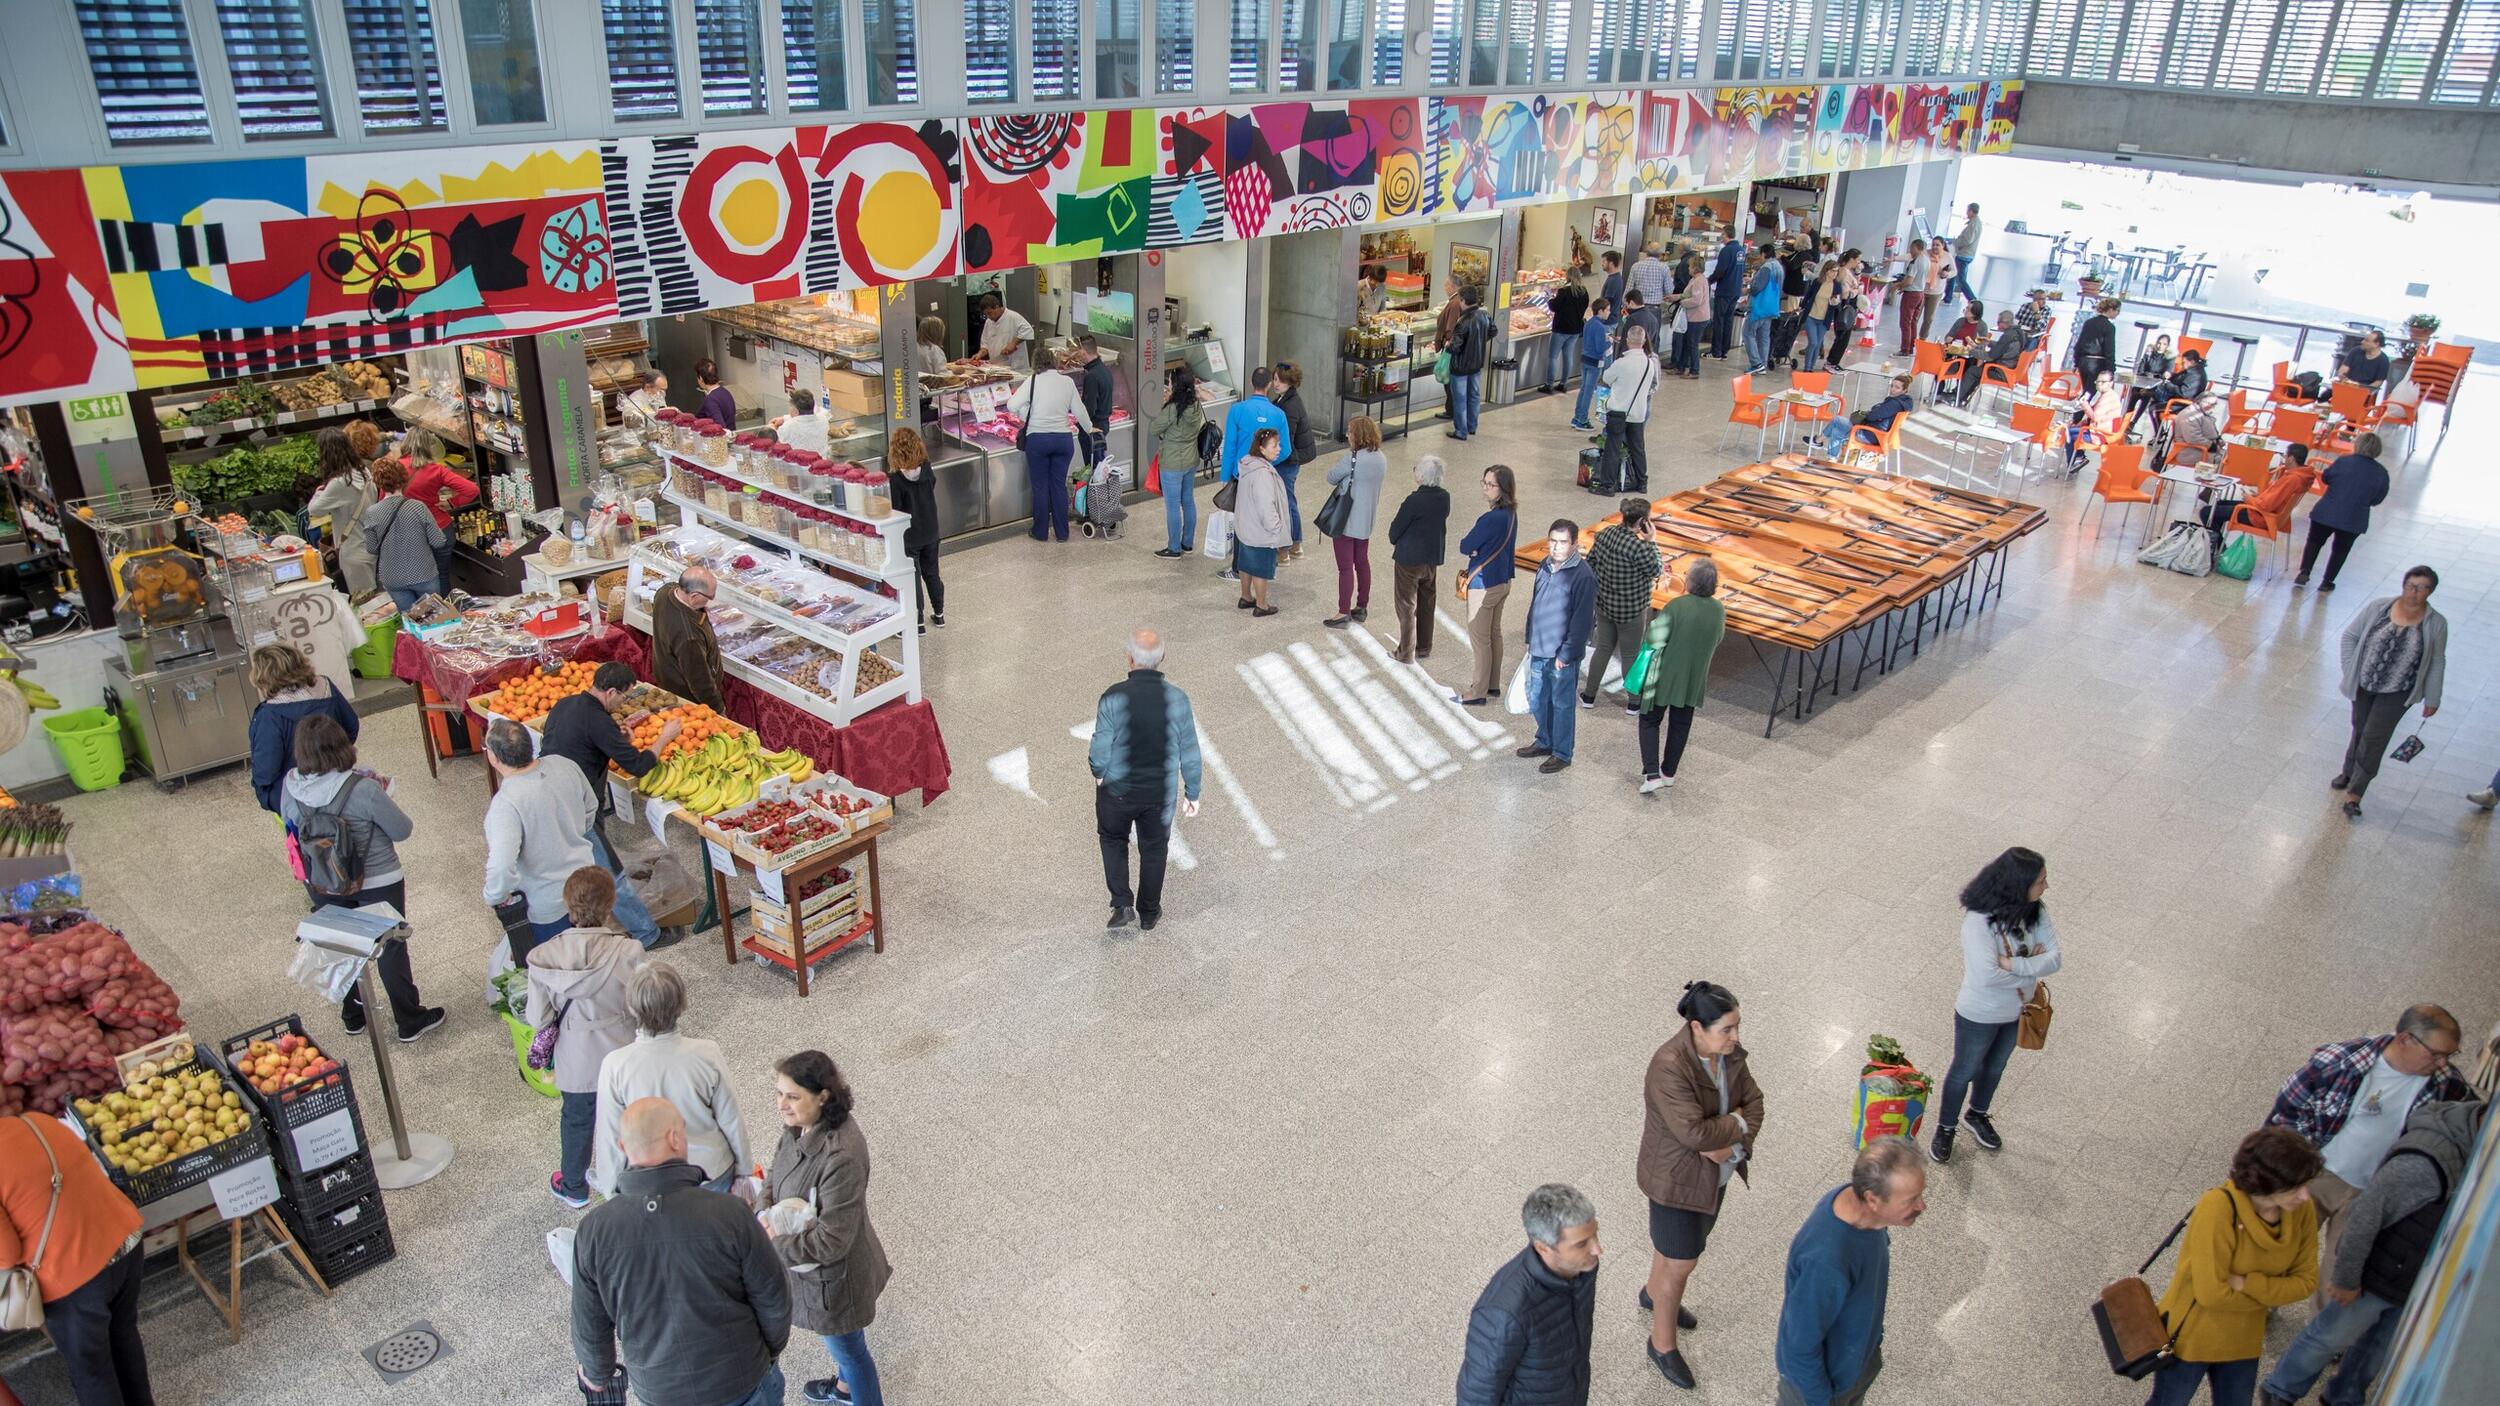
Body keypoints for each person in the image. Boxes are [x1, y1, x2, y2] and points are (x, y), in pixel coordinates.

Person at [2261, 1098, 2488, 1406]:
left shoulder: (2475, 1158)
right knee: (2328, 1337)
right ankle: (2280, 1389)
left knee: (2375, 1350)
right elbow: (2363, 1218)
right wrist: (2346, 1279)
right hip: (2377, 1276)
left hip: (2412, 1281)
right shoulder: (2424, 1162)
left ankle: (2343, 1397)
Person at [571, 1098, 788, 1406]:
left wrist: (598, 1374)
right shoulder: (730, 1213)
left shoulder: (593, 1232)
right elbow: (774, 1297)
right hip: (741, 1379)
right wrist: (766, 1353)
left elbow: (589, 1325)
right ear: (675, 1138)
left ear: (622, 1146)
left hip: (659, 1390)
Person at [2267, 1004, 2471, 1299]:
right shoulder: (2339, 1062)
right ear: (2405, 1039)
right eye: (2436, 1054)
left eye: (2450, 1056)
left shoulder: (2447, 1085)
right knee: (2282, 1249)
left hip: (2370, 1193)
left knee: (2339, 1273)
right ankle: (2266, 1304)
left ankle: (2318, 1327)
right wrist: (2285, 1172)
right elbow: (2287, 1113)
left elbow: (2469, 1122)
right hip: (2315, 1177)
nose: (2443, 1064)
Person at [279, 715, 442, 1040]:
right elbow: (402, 830)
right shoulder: (363, 788)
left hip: (323, 880)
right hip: (378, 880)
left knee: (339, 946)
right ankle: (409, 1020)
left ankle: (353, 1016)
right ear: (342, 746)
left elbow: (290, 824)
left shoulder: (291, 787)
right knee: (390, 947)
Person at [1636, 980, 1762, 1390]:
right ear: (1696, 1027)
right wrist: (1734, 1123)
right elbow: (1694, 1134)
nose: (1735, 1037)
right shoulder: (1669, 1066)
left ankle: (1654, 1294)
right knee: (1681, 1263)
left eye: (1737, 1026)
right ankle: (1661, 1344)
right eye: (1727, 1029)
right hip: (1677, 1183)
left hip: (1712, 1178)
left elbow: (1755, 1102)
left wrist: (1729, 1139)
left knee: (1673, 1251)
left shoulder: (1728, 1054)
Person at [2144, 1128, 2321, 1406]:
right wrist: (2270, 1294)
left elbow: (2306, 1282)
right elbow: (2210, 1295)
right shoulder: (2217, 1207)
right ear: (2265, 1183)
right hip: (2192, 1336)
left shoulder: (2300, 1212)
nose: (2305, 1196)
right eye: (2296, 1187)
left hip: (2243, 1340)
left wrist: (2245, 1283)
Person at [765, 1051, 893, 1406]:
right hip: (816, 1270)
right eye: (779, 1093)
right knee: (847, 1344)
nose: (782, 1105)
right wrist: (763, 1209)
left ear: (822, 1096)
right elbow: (776, 1171)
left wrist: (771, 1242)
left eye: (793, 1097)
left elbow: (831, 1240)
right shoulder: (799, 1125)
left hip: (835, 1281)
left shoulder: (841, 1156)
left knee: (851, 1352)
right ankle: (844, 1388)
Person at [0, 1112, 153, 1406]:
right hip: (125, 1241)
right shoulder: (36, 1121)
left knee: (93, 1370)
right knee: (123, 1336)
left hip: (74, 1276)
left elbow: (7, 1254)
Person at [1930, 847, 2060, 1164]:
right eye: (2040, 881)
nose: (2046, 886)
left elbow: (2055, 959)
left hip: (2019, 1010)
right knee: (1964, 1070)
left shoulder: (2036, 911)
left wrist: (2011, 964)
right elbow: (1986, 976)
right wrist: (2031, 966)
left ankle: (1977, 1114)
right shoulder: (1978, 922)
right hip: (1979, 1014)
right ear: (2018, 884)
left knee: (1995, 1067)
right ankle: (1945, 1127)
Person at [527, 867, 646, 1210]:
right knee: (629, 1117)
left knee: (576, 1120)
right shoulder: (629, 951)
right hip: (622, 1051)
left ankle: (574, 1186)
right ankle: (633, 1179)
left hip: (575, 1057)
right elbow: (643, 1005)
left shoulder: (544, 957)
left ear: (568, 907)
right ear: (610, 905)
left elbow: (538, 1018)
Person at [1774, 1138, 1925, 1406]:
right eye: (1911, 1200)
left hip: (1855, 1364)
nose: (1921, 1206)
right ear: (1872, 1199)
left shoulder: (1861, 1208)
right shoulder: (1826, 1260)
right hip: (1820, 1390)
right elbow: (1798, 1348)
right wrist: (1821, 1401)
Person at [541, 661, 680, 950]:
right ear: (612, 692)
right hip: (577, 808)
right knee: (610, 872)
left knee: (576, 863)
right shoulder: (599, 721)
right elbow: (637, 765)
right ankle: (647, 935)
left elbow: (569, 743)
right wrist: (664, 739)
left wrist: (616, 740)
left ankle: (583, 919)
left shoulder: (565, 705)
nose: (624, 702)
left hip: (550, 796)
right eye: (624, 696)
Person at [591, 963, 749, 1197]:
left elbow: (611, 1137)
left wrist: (610, 1189)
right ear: (682, 1003)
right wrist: (744, 1170)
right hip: (712, 1172)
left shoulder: (614, 1065)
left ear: (632, 1007)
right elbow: (731, 1118)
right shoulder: (707, 1053)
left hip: (652, 1183)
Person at [1088, 628, 1203, 932]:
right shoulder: (1177, 699)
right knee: (1154, 848)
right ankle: (1149, 912)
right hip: (1158, 792)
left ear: (1130, 658)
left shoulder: (1113, 696)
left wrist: (1099, 773)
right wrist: (1193, 791)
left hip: (1118, 789)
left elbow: (1100, 746)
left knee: (1113, 839)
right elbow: (1190, 751)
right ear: (1162, 657)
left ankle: (1122, 903)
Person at [1455, 1184, 1601, 1406]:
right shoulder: (1504, 1314)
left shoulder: (1581, 1267)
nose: (1597, 1249)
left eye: (1595, 1234)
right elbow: (1477, 1394)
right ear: (1543, 1248)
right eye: (1581, 1244)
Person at [2331, 565, 2448, 818]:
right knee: (2360, 728)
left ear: (2430, 592)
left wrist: (2433, 697)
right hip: (2364, 683)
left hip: (2398, 691)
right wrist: (2350, 669)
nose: (2414, 592)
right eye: (2410, 586)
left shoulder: (2436, 623)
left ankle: (2355, 794)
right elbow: (2350, 636)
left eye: (2422, 588)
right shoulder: (2379, 608)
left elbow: (2437, 661)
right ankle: (2348, 771)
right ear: (2403, 585)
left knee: (2374, 738)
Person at [482, 718, 600, 954]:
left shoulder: (506, 804)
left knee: (558, 968)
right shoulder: (564, 765)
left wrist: (494, 895)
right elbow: (591, 807)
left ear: (494, 757)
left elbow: (501, 864)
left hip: (549, 905)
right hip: (587, 885)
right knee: (593, 958)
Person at [1632, 559, 1728, 792]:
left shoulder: (1677, 606)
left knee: (1649, 720)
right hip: (1694, 676)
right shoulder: (1718, 609)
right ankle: (1668, 772)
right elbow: (1718, 638)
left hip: (1664, 674)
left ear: (1691, 581)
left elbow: (1654, 638)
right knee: (1681, 724)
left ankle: (1652, 774)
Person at [1517, 519, 1595, 775]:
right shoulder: (1545, 565)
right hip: (1539, 646)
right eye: (1553, 541)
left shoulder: (1582, 576)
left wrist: (1567, 653)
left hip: (1562, 654)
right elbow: (1536, 603)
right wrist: (1529, 636)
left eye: (1563, 542)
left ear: (1574, 545)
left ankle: (1562, 752)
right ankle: (1544, 740)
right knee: (1538, 697)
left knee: (1561, 704)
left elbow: (1582, 620)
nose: (1556, 547)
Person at [248, 642, 356, 813]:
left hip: (293, 796)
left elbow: (266, 770)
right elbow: (351, 727)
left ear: (263, 676)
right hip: (337, 781)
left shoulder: (269, 714)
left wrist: (261, 790)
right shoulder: (326, 687)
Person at [1580, 501, 1660, 708]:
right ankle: (1634, 703)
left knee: (1603, 648)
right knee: (1630, 655)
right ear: (1642, 522)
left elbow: (1591, 562)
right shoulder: (1639, 547)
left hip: (1604, 604)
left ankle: (1589, 696)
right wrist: (1651, 541)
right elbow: (1656, 570)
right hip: (1631, 610)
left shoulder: (1605, 534)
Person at [1452, 466, 1519, 708]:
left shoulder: (1490, 519)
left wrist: (1475, 550)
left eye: (1491, 485)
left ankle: (1477, 691)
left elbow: (1465, 545)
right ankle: (1492, 684)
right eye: (1484, 482)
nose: (1485, 488)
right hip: (1503, 580)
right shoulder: (1511, 514)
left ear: (1503, 488)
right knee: (1494, 634)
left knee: (1480, 639)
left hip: (1484, 585)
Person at [1013, 352, 1094, 543]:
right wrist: (1090, 428)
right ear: (1054, 362)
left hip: (1038, 440)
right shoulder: (1067, 382)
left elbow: (1011, 405)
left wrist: (1028, 416)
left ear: (1035, 363)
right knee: (1058, 486)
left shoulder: (1032, 381)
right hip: (1063, 440)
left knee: (1040, 487)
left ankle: (1040, 532)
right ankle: (1062, 533)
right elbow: (1079, 410)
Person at [2297, 433, 2393, 590]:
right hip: (2354, 519)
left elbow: (2326, 478)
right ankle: (2327, 581)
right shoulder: (2382, 473)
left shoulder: (2343, 461)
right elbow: (2377, 499)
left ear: (2357, 444)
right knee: (2341, 550)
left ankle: (2304, 571)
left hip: (2326, 512)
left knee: (2314, 541)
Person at [1322, 415, 1387, 629]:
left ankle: (1343, 611)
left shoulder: (1352, 459)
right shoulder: (1381, 458)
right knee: (1362, 562)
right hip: (1366, 520)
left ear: (1358, 435)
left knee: (1345, 567)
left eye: (1350, 431)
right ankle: (1361, 606)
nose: (1348, 435)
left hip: (1346, 520)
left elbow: (1331, 477)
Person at [1386, 457, 1451, 664]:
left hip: (1409, 559)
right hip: (1431, 558)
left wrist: (1394, 539)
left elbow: (1395, 530)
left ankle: (1405, 652)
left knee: (1406, 605)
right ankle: (1424, 646)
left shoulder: (1413, 501)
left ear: (1421, 476)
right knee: (1427, 602)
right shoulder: (1444, 497)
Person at [361, 457, 446, 613]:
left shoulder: (372, 513)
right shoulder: (418, 507)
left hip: (392, 577)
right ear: (403, 479)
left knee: (409, 618)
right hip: (423, 572)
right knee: (433, 617)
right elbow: (439, 541)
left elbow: (371, 548)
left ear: (378, 483)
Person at [304, 426, 376, 597]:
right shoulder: (363, 472)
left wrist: (319, 492)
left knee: (363, 602)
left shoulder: (339, 483)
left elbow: (314, 510)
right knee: (375, 599)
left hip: (353, 550)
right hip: (371, 544)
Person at [885, 427, 943, 630]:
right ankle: (939, 614)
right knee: (932, 573)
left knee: (913, 578)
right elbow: (932, 485)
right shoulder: (926, 468)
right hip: (931, 530)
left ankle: (917, 622)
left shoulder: (896, 479)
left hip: (910, 536)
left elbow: (896, 508)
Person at [1230, 427, 1291, 619]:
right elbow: (1266, 506)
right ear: (1261, 449)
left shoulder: (1248, 464)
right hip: (1260, 529)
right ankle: (1262, 605)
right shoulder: (1262, 473)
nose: (1279, 448)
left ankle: (1246, 596)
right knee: (1260, 568)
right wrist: (1276, 528)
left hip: (1245, 526)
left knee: (1245, 563)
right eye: (1274, 445)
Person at [2202, 443, 2312, 544]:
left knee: (2207, 512)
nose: (2284, 459)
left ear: (2291, 459)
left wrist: (2249, 499)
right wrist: (2259, 497)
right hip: (2266, 513)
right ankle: (2217, 546)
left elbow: (2266, 505)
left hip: (2260, 517)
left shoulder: (2292, 479)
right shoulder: (2302, 477)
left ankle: (2216, 547)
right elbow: (2276, 499)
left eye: (2285, 456)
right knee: (2218, 505)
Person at [652, 566, 727, 710]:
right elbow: (700, 681)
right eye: (709, 598)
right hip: (686, 697)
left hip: (665, 675)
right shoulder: (689, 636)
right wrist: (718, 710)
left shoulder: (664, 592)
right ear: (694, 596)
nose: (709, 602)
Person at [1598, 324, 1661, 495]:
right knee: (1638, 448)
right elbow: (1652, 386)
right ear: (1643, 341)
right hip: (1638, 412)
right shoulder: (1649, 363)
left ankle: (1608, 486)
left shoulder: (1621, 363)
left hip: (1618, 411)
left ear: (1627, 340)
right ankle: (1642, 483)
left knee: (1613, 447)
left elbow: (1606, 378)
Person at [1150, 365, 1204, 558]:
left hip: (1172, 462)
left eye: (1170, 382)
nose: (1169, 384)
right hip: (1191, 459)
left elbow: (1154, 429)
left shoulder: (1173, 409)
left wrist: (1165, 405)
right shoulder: (1196, 405)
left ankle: (1174, 548)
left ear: (1176, 385)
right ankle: (1187, 543)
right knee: (1188, 501)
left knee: (1172, 506)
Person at [1271, 362, 1317, 560]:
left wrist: (1272, 458)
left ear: (1291, 382)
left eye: (1281, 381)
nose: (1276, 384)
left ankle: (1290, 546)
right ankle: (1294, 543)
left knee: (1287, 502)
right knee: (1288, 501)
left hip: (1289, 460)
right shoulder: (1285, 399)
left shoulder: (1289, 406)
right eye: (1275, 379)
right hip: (1291, 458)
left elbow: (1286, 441)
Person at [1444, 285, 1494, 441]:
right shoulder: (1485, 315)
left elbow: (1455, 347)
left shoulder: (1463, 321)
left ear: (1463, 300)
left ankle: (1460, 431)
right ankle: (1472, 426)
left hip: (1460, 366)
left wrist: (1448, 345)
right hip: (1476, 363)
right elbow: (1493, 331)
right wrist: (1479, 340)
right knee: (1474, 396)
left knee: (1460, 399)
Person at [1824, 374, 1915, 459]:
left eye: (1897, 387)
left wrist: (1873, 410)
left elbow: (1871, 416)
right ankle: (1831, 458)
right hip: (1878, 435)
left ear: (1904, 390)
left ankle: (1819, 441)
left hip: (1870, 435)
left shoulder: (1894, 404)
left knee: (1837, 420)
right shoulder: (1902, 403)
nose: (1892, 389)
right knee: (1837, 431)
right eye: (1892, 386)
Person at [1952, 312, 2025, 407]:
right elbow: (2004, 348)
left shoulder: (2007, 336)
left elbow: (1989, 356)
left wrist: (1970, 350)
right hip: (2012, 369)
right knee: (1979, 369)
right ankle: (1963, 397)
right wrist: (1989, 343)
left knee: (1973, 371)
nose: (1997, 324)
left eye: (1998, 322)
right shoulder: (2019, 332)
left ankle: (1957, 397)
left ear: (2004, 323)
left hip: (2002, 372)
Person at [2066, 369, 2128, 472]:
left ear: (2111, 383)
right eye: (2098, 381)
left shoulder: (2109, 398)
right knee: (2071, 430)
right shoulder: (2107, 395)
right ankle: (2078, 459)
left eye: (2103, 382)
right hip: (2101, 430)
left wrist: (2084, 404)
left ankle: (2077, 460)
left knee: (2069, 434)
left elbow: (2095, 417)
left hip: (2101, 435)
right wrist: (2080, 423)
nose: (2099, 384)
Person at [1572, 295, 1615, 429]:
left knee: (1584, 389)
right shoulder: (1601, 327)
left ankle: (1577, 416)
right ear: (1600, 311)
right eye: (1607, 310)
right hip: (1594, 363)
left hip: (1585, 360)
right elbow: (1600, 348)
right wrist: (1609, 342)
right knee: (1589, 392)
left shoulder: (1589, 323)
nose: (1609, 313)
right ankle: (1582, 419)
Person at [1743, 244, 1786, 375]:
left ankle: (1756, 363)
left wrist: (1749, 287)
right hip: (1772, 307)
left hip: (1759, 307)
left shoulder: (1766, 267)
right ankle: (1763, 364)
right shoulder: (1778, 267)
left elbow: (1757, 288)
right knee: (1764, 337)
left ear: (1763, 254)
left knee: (1748, 333)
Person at [1545, 271, 1590, 393]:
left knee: (1553, 357)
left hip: (1561, 329)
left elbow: (1553, 307)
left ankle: (1549, 384)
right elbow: (1584, 307)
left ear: (1568, 276)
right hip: (1575, 330)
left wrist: (1549, 298)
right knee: (1568, 356)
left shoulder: (1564, 291)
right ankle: (1563, 384)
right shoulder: (1584, 292)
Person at [1076, 334, 1114, 468]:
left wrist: (1081, 423)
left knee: (1094, 469)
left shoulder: (1092, 376)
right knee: (1099, 467)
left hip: (1093, 428)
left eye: (1079, 351)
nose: (1078, 355)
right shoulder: (1104, 370)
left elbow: (1090, 408)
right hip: (1103, 424)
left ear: (1083, 352)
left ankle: (1094, 483)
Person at [971, 293, 1033, 370]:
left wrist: (1014, 343)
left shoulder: (1012, 316)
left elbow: (1028, 330)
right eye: (986, 314)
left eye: (989, 313)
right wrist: (979, 354)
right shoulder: (988, 322)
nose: (988, 317)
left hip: (1016, 366)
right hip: (997, 367)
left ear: (997, 307)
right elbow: (985, 345)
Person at [1672, 255, 1710, 379]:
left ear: (1695, 267)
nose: (1688, 268)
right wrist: (1675, 297)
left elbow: (1696, 300)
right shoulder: (1695, 279)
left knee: (1692, 344)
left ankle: (1694, 371)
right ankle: (1682, 367)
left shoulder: (1698, 281)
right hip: (1694, 317)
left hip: (1697, 318)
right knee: (1687, 343)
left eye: (1690, 266)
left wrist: (1682, 302)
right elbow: (1686, 294)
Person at [1802, 261, 1843, 374]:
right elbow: (1808, 295)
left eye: (1837, 271)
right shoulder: (1817, 282)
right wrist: (1802, 307)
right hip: (1811, 316)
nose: (1835, 273)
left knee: (1818, 344)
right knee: (1813, 342)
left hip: (1824, 320)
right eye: (1833, 271)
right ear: (1827, 270)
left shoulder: (1837, 286)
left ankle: (1811, 367)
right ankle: (1807, 367)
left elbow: (1838, 303)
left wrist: (1836, 303)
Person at [1707, 237, 1744, 359]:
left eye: (1722, 235)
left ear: (1726, 235)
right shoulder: (1741, 250)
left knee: (1719, 321)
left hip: (1725, 290)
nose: (1722, 238)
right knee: (1728, 321)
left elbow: (1720, 271)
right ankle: (1724, 350)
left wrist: (1708, 281)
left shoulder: (1726, 250)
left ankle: (1716, 351)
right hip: (1735, 290)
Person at [2072, 296, 2120, 389]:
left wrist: (2076, 362)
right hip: (2097, 363)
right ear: (2111, 310)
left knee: (2086, 389)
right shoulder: (2109, 327)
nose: (2118, 313)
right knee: (2090, 391)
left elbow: (2079, 344)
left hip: (2083, 361)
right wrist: (2111, 369)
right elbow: (2109, 350)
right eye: (2118, 310)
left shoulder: (2089, 322)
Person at [1893, 238, 1929, 356]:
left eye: (1911, 248)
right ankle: (1911, 346)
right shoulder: (1926, 260)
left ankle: (1905, 349)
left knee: (1905, 322)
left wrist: (1899, 285)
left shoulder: (1916, 261)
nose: (1910, 251)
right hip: (1920, 293)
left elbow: (1909, 280)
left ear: (1916, 248)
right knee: (1913, 322)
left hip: (1911, 294)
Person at [1917, 240, 1957, 344]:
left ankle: (1922, 338)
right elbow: (1910, 256)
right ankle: (1911, 337)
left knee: (1929, 318)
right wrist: (1894, 258)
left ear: (1943, 246)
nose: (1934, 247)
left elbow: (1954, 271)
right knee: (1916, 315)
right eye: (1933, 244)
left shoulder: (1947, 256)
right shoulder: (1925, 253)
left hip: (1936, 291)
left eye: (1937, 245)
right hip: (1922, 289)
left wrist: (1947, 274)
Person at [770, 389, 830, 457]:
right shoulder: (823, 420)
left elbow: (776, 444)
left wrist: (772, 430)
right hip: (821, 461)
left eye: (790, 407)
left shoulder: (788, 427)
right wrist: (784, 418)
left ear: (796, 411)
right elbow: (807, 417)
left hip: (798, 463)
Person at [1947, 202, 1982, 303]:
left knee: (1960, 279)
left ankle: (1972, 299)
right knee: (1954, 274)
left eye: (1967, 210)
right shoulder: (1974, 222)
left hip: (1964, 254)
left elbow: (1967, 240)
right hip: (1966, 254)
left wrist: (1956, 243)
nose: (1966, 212)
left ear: (1971, 211)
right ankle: (1948, 297)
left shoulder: (1974, 224)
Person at [1616, 287, 1661, 361]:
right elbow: (1655, 342)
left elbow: (1625, 344)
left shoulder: (1632, 319)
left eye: (1626, 305)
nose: (1625, 308)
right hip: (1646, 359)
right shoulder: (1654, 319)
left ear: (1632, 303)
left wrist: (1619, 360)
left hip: (1632, 359)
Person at [2339, 329, 2390, 394]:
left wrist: (2363, 391)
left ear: (2376, 344)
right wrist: (2342, 377)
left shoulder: (2383, 360)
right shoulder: (2356, 351)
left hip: (2365, 392)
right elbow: (2344, 368)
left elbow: (2379, 382)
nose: (2362, 342)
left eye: (2366, 341)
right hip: (2347, 386)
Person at [694, 358, 737, 427]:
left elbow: (720, 426)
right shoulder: (725, 392)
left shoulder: (710, 400)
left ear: (701, 378)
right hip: (732, 432)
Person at [1629, 241, 1672, 309]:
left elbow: (1629, 288)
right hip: (1654, 307)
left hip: (1637, 306)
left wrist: (1625, 305)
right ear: (1660, 254)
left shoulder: (1635, 266)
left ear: (1646, 252)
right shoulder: (1664, 268)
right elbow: (1669, 291)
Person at [2013, 287, 2055, 353]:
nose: (2039, 301)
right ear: (2033, 299)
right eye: (2036, 299)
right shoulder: (2025, 306)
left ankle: (2024, 358)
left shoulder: (2047, 310)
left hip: (2034, 336)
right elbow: (2016, 320)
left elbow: (2040, 327)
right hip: (2020, 333)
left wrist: (2036, 312)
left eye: (2042, 299)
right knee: (2008, 337)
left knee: (2030, 343)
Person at [1599, 249, 1626, 315]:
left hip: (1608, 318)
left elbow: (1605, 302)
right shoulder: (1614, 277)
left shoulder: (1613, 280)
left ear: (1611, 263)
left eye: (1604, 262)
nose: (1602, 264)